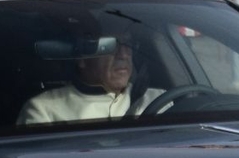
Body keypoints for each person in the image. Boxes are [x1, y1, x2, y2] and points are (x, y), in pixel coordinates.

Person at [18, 34, 156, 126]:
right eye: (111, 45)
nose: (124, 55)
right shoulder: (43, 109)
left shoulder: (158, 99)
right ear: (82, 59)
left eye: (129, 45)